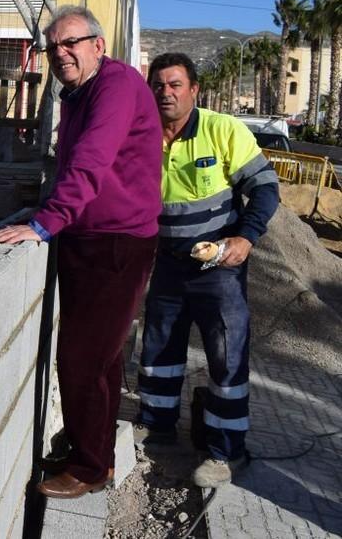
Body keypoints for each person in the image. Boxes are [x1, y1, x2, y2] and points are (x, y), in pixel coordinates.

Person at [0, 6, 162, 499]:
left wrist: (45, 223)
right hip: (89, 236)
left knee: (82, 358)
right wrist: (51, 214)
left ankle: (89, 469)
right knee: (103, 357)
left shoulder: (115, 86)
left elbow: (91, 160)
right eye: (52, 47)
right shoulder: (78, 93)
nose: (60, 53)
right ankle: (95, 449)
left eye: (71, 43)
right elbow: (69, 165)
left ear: (98, 45)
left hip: (117, 242)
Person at [135, 53, 278, 488]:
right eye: (159, 85)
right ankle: (156, 427)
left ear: (194, 90)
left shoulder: (222, 130)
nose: (166, 93)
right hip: (168, 265)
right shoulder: (142, 136)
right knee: (159, 348)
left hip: (218, 270)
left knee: (226, 355)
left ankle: (225, 453)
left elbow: (266, 188)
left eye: (175, 84)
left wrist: (245, 238)